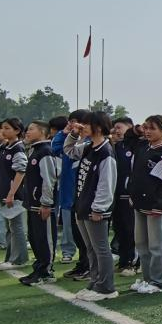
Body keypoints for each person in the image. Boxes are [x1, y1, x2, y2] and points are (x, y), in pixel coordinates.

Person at [63, 112, 118, 301]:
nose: (83, 127)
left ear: (99, 127)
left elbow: (106, 183)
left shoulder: (105, 152)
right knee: (90, 248)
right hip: (83, 204)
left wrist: (99, 208)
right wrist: (73, 134)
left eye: (87, 124)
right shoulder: (88, 147)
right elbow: (69, 151)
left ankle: (106, 287)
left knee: (101, 248)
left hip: (95, 208)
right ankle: (95, 282)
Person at [127, 115, 162, 294]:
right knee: (142, 243)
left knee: (157, 245)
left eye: (152, 128)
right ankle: (148, 279)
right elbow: (128, 138)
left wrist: (161, 204)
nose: (147, 132)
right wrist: (137, 129)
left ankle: (161, 281)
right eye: (146, 128)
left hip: (156, 205)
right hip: (140, 202)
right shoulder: (143, 146)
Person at [0, 119, 30, 272]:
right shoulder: (4, 147)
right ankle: (11, 258)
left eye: (7, 128)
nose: (3, 131)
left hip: (14, 195)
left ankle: (19, 259)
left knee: (16, 227)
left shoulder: (18, 148)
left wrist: (11, 193)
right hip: (3, 192)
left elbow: (20, 172)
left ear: (17, 131)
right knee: (11, 227)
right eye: (2, 128)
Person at [18, 120, 59, 286]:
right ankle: (39, 268)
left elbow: (49, 179)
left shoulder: (45, 151)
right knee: (35, 238)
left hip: (42, 204)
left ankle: (46, 272)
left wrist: (46, 203)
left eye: (31, 129)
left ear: (43, 132)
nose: (27, 132)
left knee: (45, 239)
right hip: (32, 203)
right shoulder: (34, 150)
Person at [52, 110, 91, 278]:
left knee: (86, 236)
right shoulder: (70, 141)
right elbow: (55, 149)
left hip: (85, 195)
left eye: (75, 121)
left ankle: (89, 266)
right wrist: (64, 133)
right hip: (69, 194)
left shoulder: (91, 143)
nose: (72, 125)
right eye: (70, 122)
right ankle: (81, 263)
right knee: (74, 232)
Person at [110, 118, 138, 276]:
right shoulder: (114, 146)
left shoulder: (135, 145)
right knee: (119, 229)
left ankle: (133, 262)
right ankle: (123, 260)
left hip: (130, 195)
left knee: (130, 230)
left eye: (119, 127)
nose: (116, 130)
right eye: (114, 128)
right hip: (116, 194)